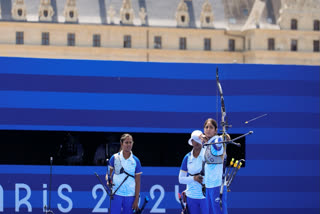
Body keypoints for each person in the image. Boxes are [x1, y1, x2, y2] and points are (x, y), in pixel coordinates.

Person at [105, 134, 142, 214]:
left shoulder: (136, 161)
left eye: (130, 142)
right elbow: (108, 174)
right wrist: (108, 180)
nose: (128, 145)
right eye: (126, 142)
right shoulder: (114, 158)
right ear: (121, 144)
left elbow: (138, 182)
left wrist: (136, 199)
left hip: (130, 195)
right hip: (116, 194)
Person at [200, 118, 228, 214]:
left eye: (211, 127)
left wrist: (224, 135)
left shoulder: (217, 140)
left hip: (217, 184)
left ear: (216, 130)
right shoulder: (205, 144)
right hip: (208, 185)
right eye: (206, 127)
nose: (208, 129)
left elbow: (219, 143)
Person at [179, 130, 208, 214]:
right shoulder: (187, 157)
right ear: (191, 141)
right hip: (191, 196)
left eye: (199, 140)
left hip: (205, 197)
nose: (197, 143)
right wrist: (194, 178)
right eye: (194, 140)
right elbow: (181, 179)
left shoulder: (207, 154)